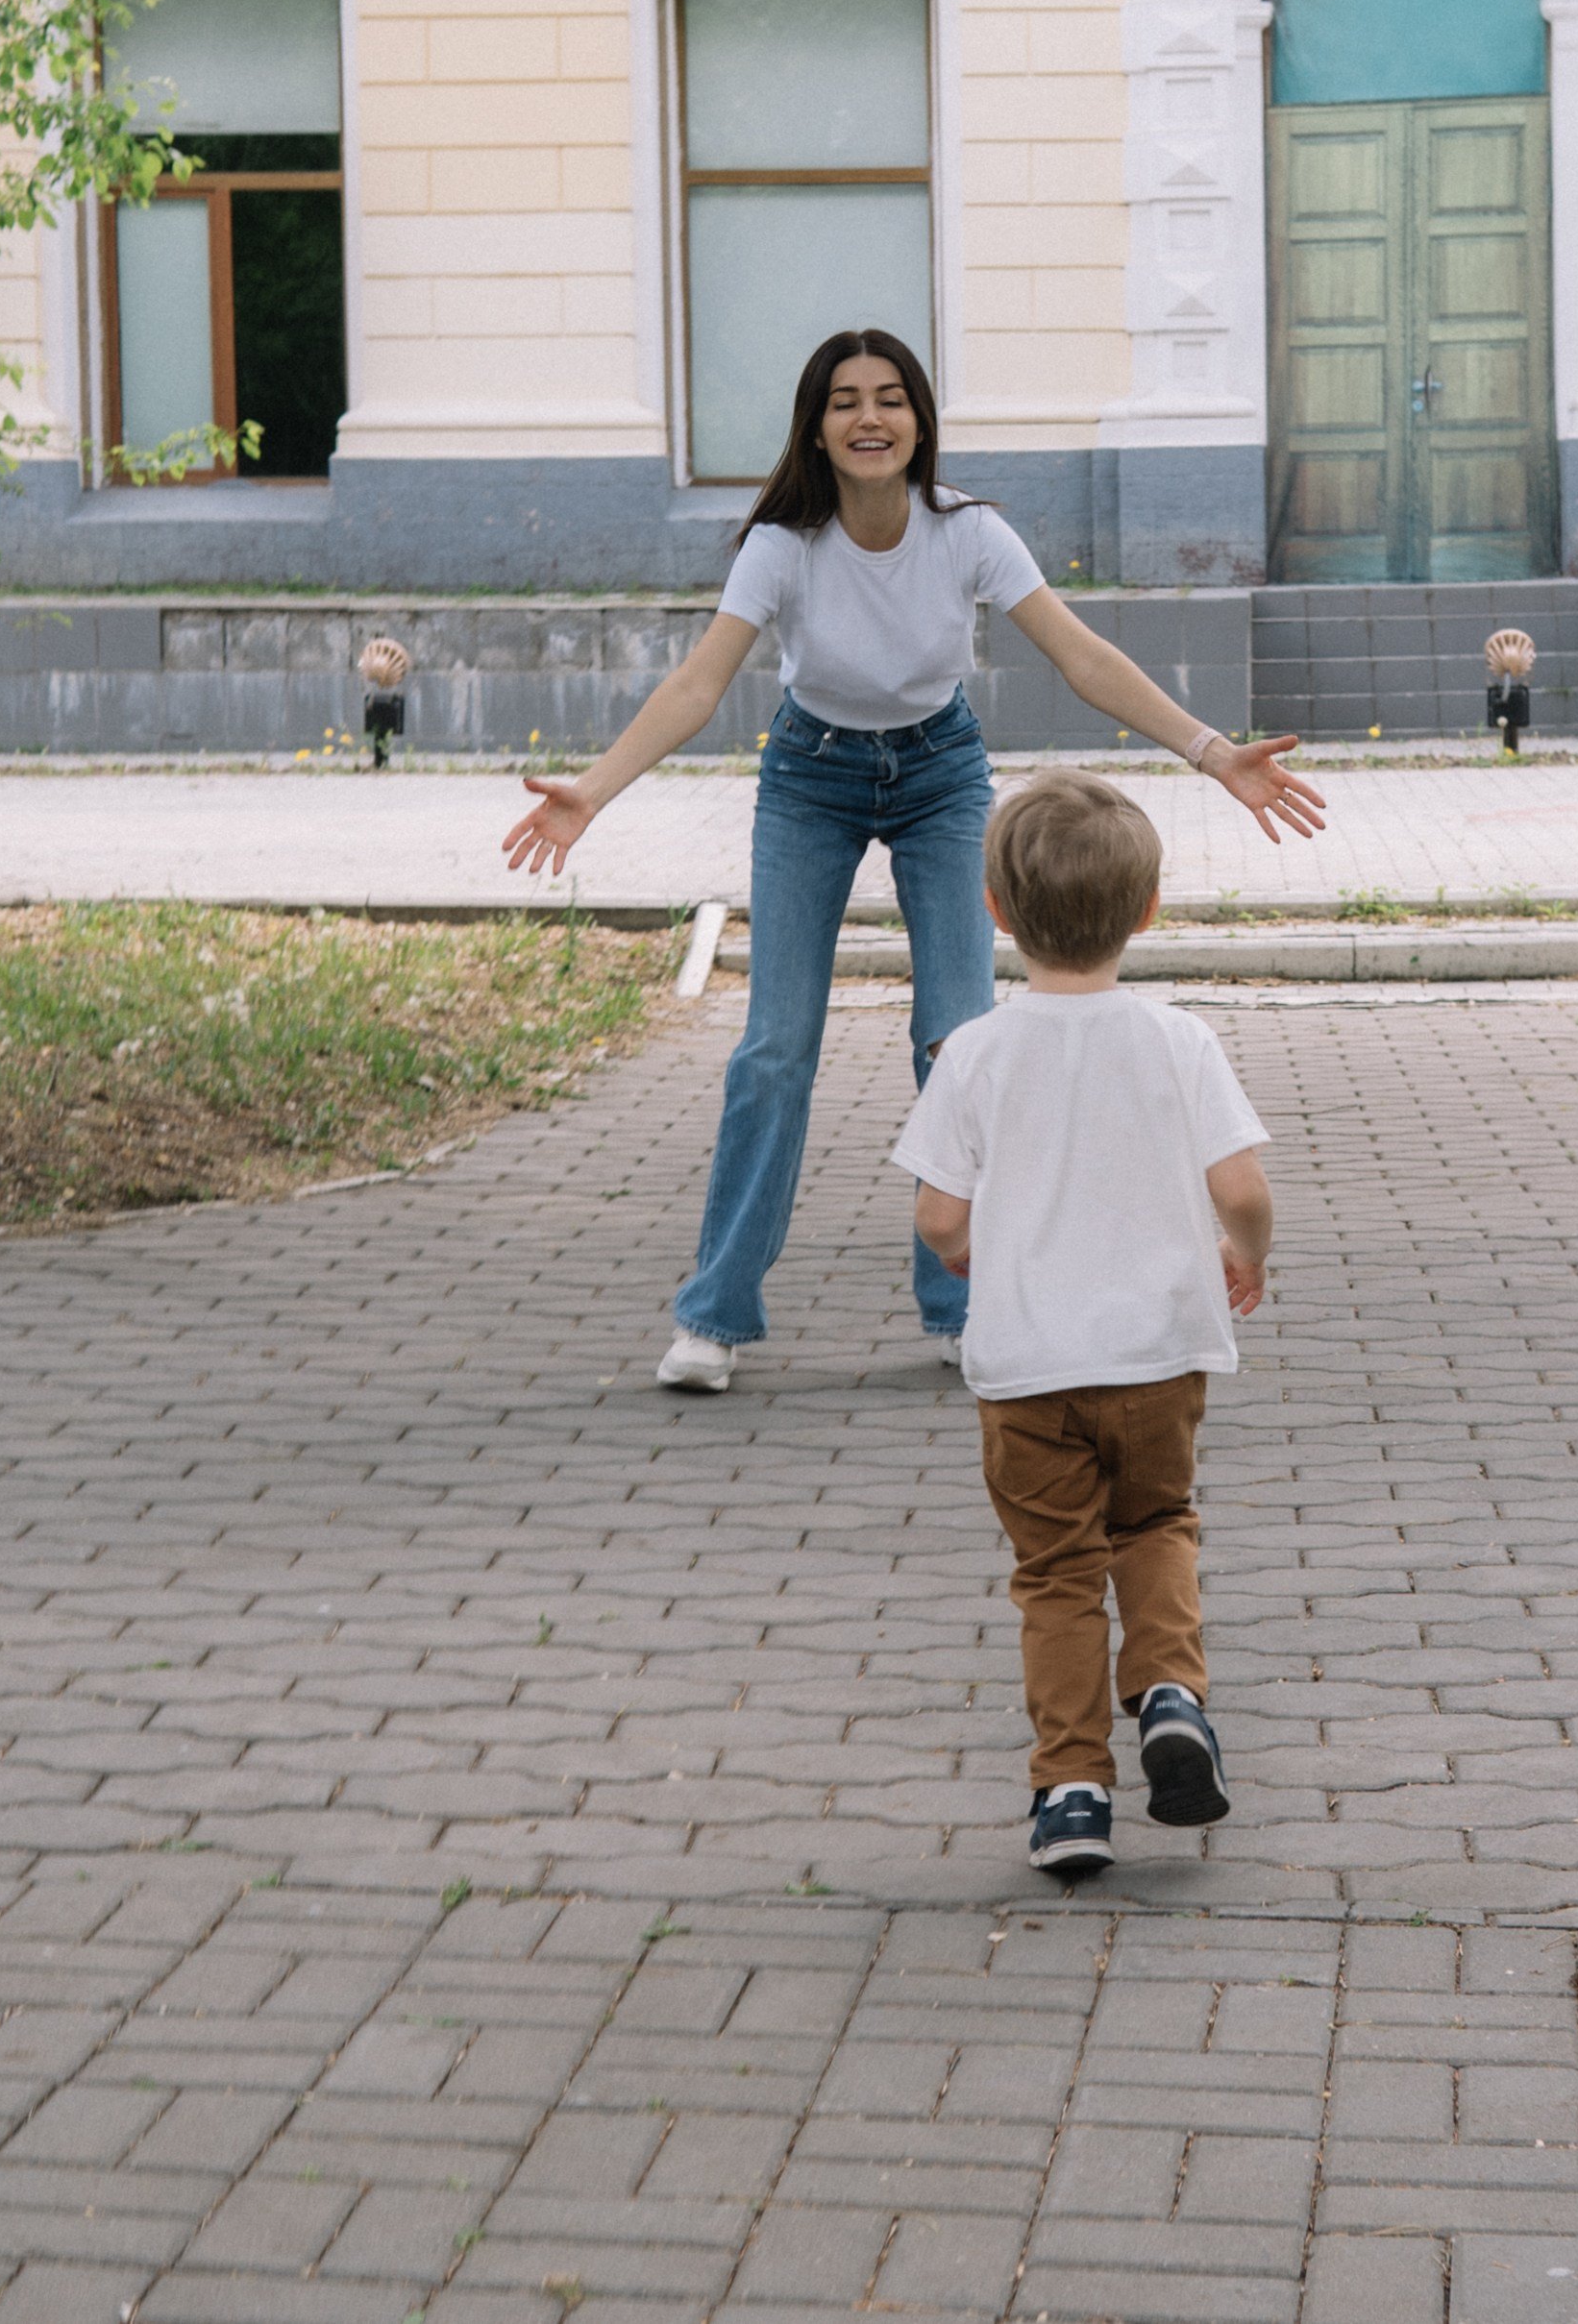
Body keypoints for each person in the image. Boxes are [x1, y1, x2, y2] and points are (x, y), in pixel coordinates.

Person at [502, 328, 1319, 1392]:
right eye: (845, 402)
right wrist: (593, 792)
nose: (870, 417)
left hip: (939, 772)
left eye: (891, 398)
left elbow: (1082, 656)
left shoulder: (967, 532)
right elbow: (701, 684)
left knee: (959, 1039)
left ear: (920, 420)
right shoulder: (784, 544)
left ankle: (961, 1302)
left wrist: (1214, 754)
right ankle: (715, 1313)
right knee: (775, 1050)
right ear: (818, 427)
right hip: (812, 776)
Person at [892, 771, 1273, 1877]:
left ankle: (1069, 1791)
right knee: (1156, 1523)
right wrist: (1246, 1254)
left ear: (996, 913)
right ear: (1148, 913)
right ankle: (1169, 1693)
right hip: (1158, 1357)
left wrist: (974, 1259)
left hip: (1026, 1371)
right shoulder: (1179, 1041)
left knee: (1056, 1572)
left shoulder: (973, 1053)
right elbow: (1242, 1188)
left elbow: (939, 1217)